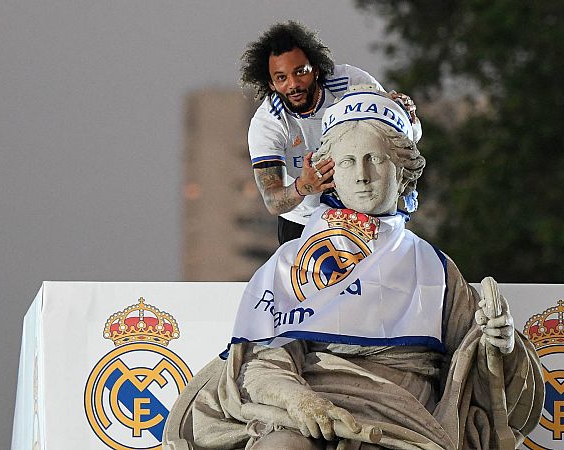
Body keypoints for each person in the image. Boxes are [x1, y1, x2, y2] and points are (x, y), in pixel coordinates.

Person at [164, 87, 543, 450]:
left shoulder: (434, 267)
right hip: (307, 406)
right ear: (330, 173)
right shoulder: (290, 261)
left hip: (401, 421)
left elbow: (477, 366)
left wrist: (501, 345)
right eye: (347, 162)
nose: (361, 175)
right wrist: (297, 401)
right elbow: (261, 359)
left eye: (374, 159)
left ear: (403, 172)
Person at [240, 21, 420, 244]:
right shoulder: (268, 123)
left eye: (300, 72)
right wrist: (304, 186)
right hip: (303, 222)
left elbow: (403, 137)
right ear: (272, 84)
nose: (293, 84)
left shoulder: (351, 83)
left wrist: (406, 114)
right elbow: (272, 200)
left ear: (315, 69)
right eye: (281, 78)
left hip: (362, 211)